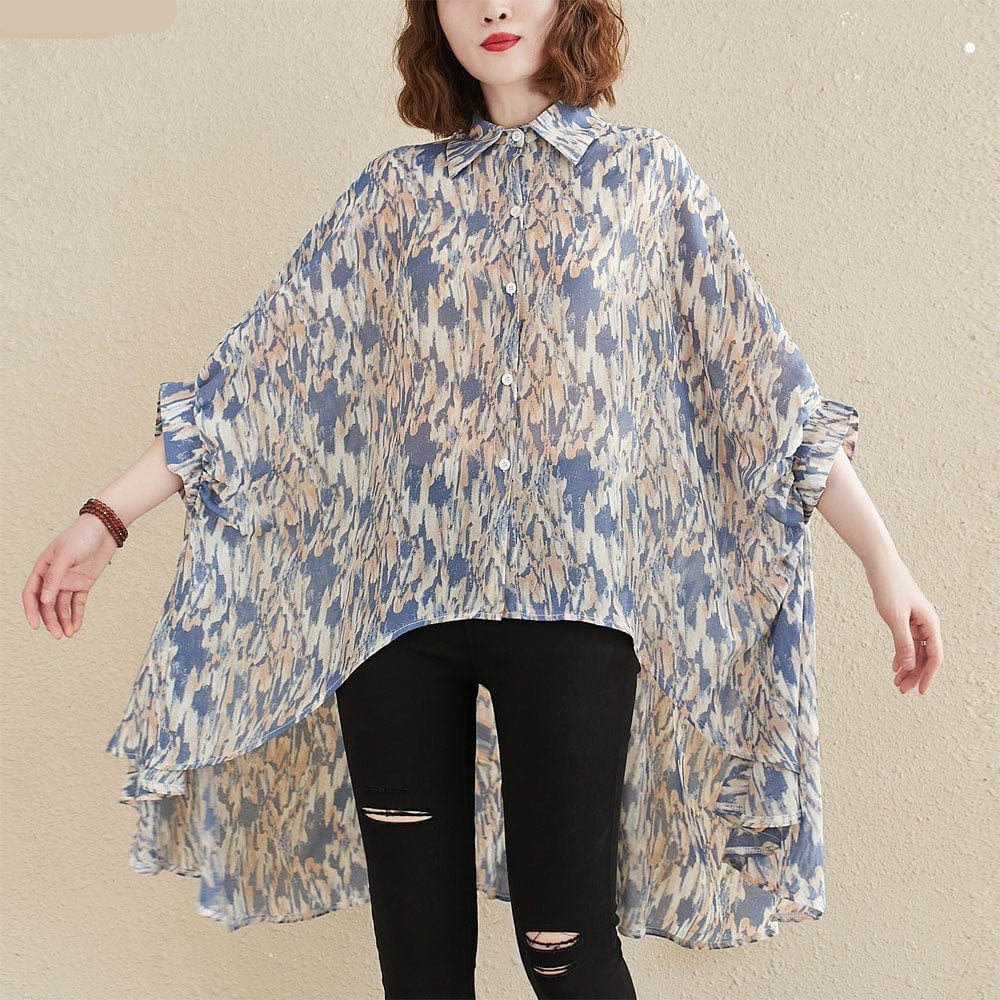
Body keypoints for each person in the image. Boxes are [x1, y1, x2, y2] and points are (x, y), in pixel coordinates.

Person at [22, 1, 944, 998]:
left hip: (574, 617)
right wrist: (107, 516)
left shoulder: (646, 179)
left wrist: (882, 560)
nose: (494, 7)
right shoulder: (392, 198)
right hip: (395, 628)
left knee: (566, 948)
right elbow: (257, 385)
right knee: (419, 968)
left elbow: (763, 389)